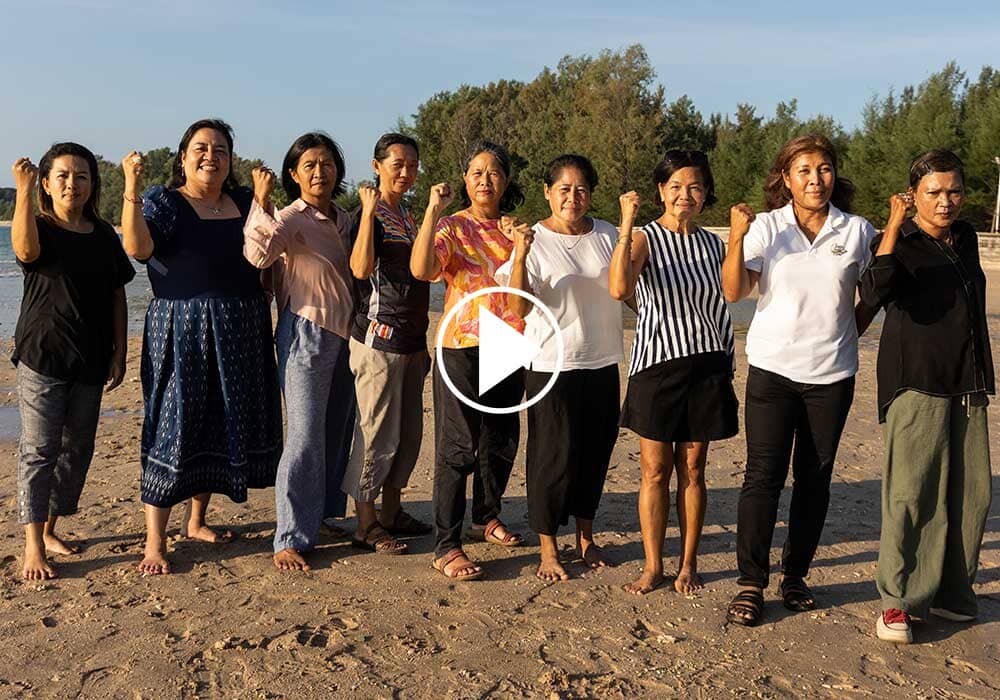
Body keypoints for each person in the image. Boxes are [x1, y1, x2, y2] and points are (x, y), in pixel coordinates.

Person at [721, 134, 876, 625]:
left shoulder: (856, 231)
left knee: (814, 480)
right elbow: (734, 291)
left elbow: (876, 288)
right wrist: (736, 235)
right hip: (772, 371)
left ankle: (795, 575)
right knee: (762, 478)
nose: (815, 178)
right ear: (785, 178)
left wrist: (848, 329)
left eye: (824, 168)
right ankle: (750, 583)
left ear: (835, 175)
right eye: (804, 170)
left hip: (832, 376)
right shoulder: (767, 227)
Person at [120, 119, 283, 575]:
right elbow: (138, 247)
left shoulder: (246, 201)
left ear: (231, 160)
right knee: (173, 424)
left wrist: (266, 201)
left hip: (241, 324)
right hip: (182, 325)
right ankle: (155, 541)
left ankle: (196, 521)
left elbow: (268, 253)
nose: (210, 155)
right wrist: (132, 186)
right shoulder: (164, 201)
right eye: (201, 148)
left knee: (217, 419)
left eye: (221, 149)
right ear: (183, 157)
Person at [861, 150, 994, 644]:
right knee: (911, 494)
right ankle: (897, 602)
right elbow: (873, 290)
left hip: (969, 381)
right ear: (912, 193)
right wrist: (893, 227)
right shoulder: (897, 241)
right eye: (934, 192)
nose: (946, 201)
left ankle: (952, 593)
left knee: (971, 495)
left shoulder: (964, 238)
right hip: (915, 383)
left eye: (954, 191)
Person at [609, 150, 737, 595]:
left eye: (695, 187)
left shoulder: (713, 244)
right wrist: (627, 221)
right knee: (655, 469)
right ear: (662, 191)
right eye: (676, 186)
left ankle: (688, 563)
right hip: (657, 366)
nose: (685, 195)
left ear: (705, 195)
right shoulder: (645, 238)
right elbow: (619, 288)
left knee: (695, 469)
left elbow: (727, 300)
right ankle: (652, 566)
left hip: (706, 363)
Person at [496, 154, 624, 582]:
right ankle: (548, 546)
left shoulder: (608, 234)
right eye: (564, 189)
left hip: (603, 360)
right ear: (548, 192)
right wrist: (519, 254)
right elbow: (515, 306)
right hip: (552, 363)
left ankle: (585, 538)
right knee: (552, 457)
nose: (574, 197)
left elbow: (630, 291)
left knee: (594, 453)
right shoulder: (532, 239)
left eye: (582, 189)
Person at [10, 144, 134, 580]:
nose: (72, 184)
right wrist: (23, 192)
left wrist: (120, 350)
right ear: (46, 183)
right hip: (43, 356)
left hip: (91, 358)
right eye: (62, 176)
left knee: (76, 449)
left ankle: (49, 529)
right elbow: (24, 252)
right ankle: (31, 546)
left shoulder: (101, 234)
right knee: (39, 451)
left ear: (92, 185)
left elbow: (118, 292)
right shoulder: (39, 227)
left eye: (81, 176)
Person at [244, 132, 362, 571]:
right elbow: (258, 255)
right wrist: (261, 201)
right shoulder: (290, 217)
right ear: (294, 174)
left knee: (336, 429)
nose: (319, 172)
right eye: (309, 165)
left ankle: (324, 516)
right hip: (305, 330)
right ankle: (290, 535)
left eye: (327, 163)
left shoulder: (345, 218)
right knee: (305, 435)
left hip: (346, 332)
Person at [410, 140, 526, 581]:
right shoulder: (452, 227)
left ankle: (487, 516)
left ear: (506, 180)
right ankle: (447, 545)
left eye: (493, 172)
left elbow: (526, 293)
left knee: (500, 441)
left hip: (509, 340)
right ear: (465, 180)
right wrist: (431, 211)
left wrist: (522, 245)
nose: (484, 179)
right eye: (476, 172)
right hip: (460, 341)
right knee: (458, 447)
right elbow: (422, 270)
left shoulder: (516, 229)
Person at [343, 133, 431, 553]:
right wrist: (366, 211)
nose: (405, 171)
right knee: (375, 434)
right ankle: (366, 523)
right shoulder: (371, 215)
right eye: (397, 163)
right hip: (377, 340)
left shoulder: (410, 217)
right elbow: (360, 269)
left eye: (412, 165)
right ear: (377, 165)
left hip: (413, 342)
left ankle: (392, 512)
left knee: (409, 434)